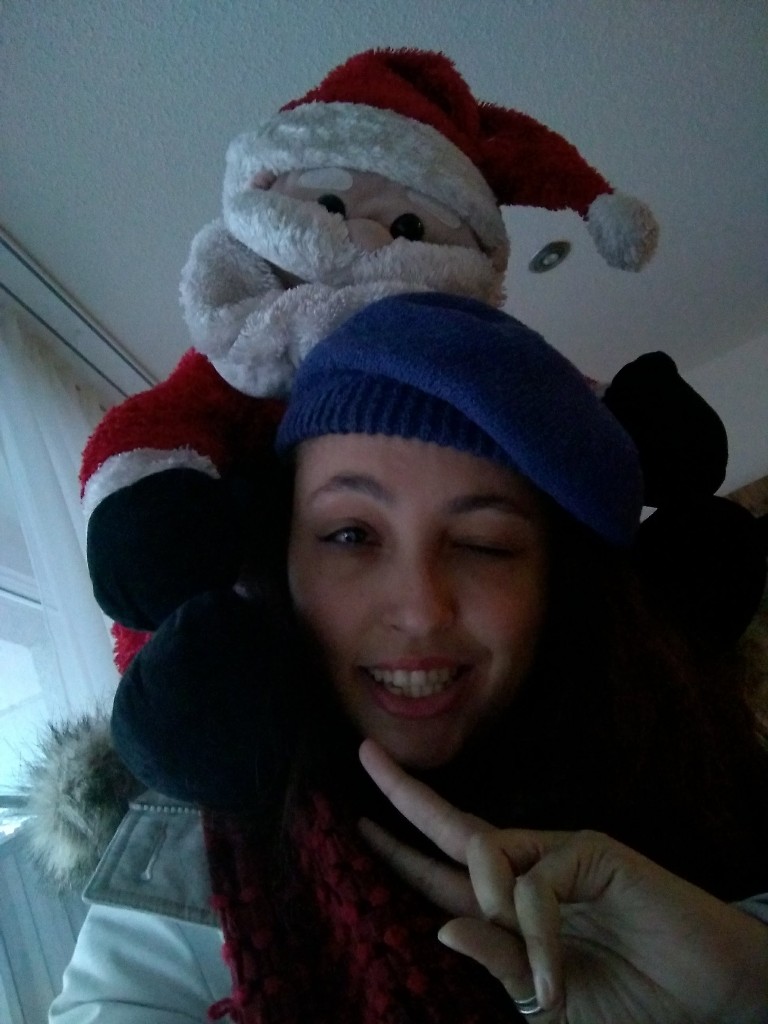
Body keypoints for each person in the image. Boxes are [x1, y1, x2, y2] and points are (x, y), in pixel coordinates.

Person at [49, 293, 768, 1022]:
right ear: (280, 563)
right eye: (351, 536)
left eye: (483, 545)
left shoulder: (713, 782)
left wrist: (746, 988)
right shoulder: (184, 872)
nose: (421, 609)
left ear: (557, 582)